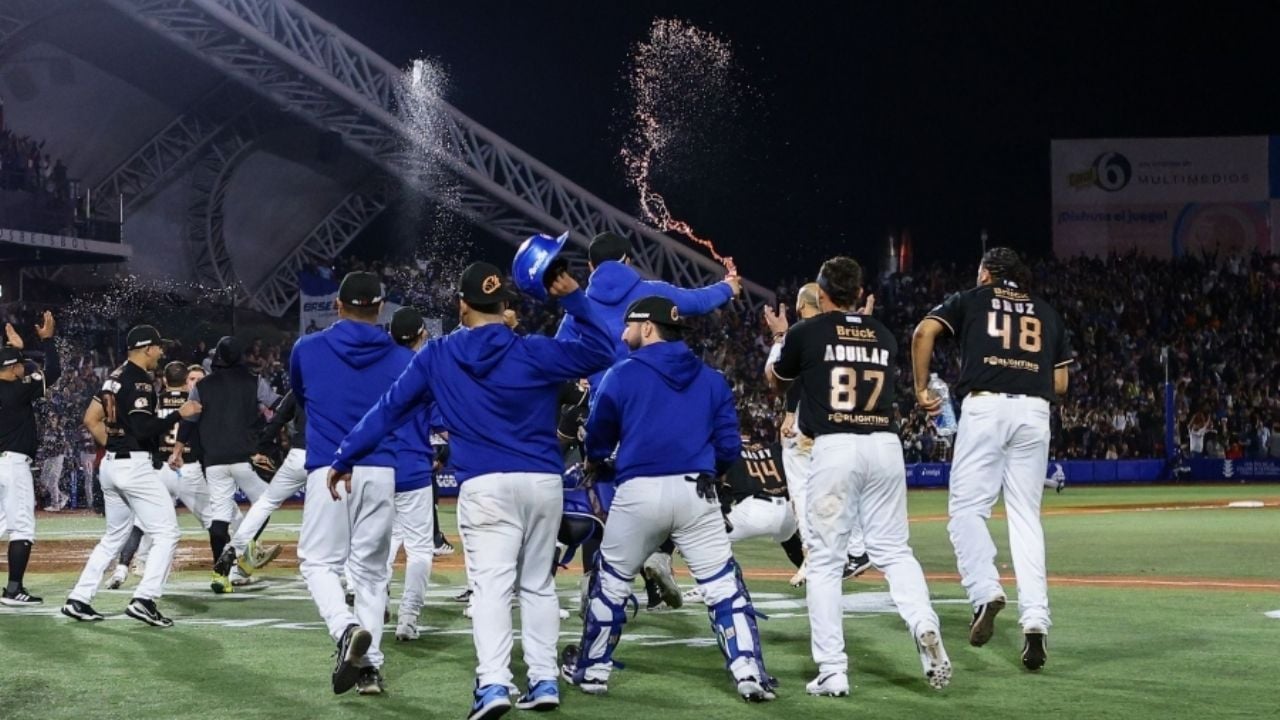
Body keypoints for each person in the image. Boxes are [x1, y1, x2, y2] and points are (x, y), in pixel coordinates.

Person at [331, 261, 614, 719]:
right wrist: (574, 298)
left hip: (485, 485)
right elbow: (605, 349)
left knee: (491, 589)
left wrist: (346, 455)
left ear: (462, 304)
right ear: (504, 306)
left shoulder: (437, 355)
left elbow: (388, 410)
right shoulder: (535, 351)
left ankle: (494, 683)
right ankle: (542, 680)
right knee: (538, 585)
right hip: (542, 481)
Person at [562, 295, 777, 703]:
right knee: (723, 588)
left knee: (609, 584)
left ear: (647, 328)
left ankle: (592, 671)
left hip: (638, 492)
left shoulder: (620, 375)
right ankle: (749, 671)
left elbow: (599, 439)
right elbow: (729, 447)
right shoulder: (712, 379)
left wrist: (598, 461)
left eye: (629, 325)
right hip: (698, 490)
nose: (624, 333)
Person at [769, 256, 952, 696]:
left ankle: (833, 669)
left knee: (827, 563)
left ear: (823, 292)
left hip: (834, 447)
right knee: (893, 550)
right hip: (885, 446)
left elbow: (778, 381)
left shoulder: (806, 331)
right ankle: (924, 622)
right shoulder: (884, 334)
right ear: (859, 291)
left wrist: (780, 337)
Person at [911, 246, 1073, 672]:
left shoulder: (973, 298)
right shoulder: (1046, 311)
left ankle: (985, 590)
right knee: (1025, 518)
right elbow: (1060, 382)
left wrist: (921, 387)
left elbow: (923, 332)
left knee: (967, 509)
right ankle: (1036, 620)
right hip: (1035, 413)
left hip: (985, 408)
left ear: (986, 274)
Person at [289, 272, 408, 696]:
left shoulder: (307, 348)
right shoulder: (400, 357)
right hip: (381, 470)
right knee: (372, 575)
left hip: (330, 467)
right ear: (379, 308)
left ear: (338, 305)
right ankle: (369, 667)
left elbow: (302, 396)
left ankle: (345, 629)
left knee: (319, 562)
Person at [63, 325, 199, 627]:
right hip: (133, 465)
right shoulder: (140, 382)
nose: (161, 353)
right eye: (158, 347)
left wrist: (114, 447)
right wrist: (180, 413)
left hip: (112, 465)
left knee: (114, 536)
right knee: (167, 533)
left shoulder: (115, 376)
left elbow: (90, 419)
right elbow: (141, 429)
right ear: (147, 348)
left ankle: (79, 598)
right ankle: (145, 599)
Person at [772, 282, 871, 587]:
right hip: (846, 418)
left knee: (802, 489)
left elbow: (789, 375)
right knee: (841, 485)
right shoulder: (846, 330)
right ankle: (854, 548)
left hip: (808, 419)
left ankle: (815, 554)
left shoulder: (806, 331)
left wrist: (780, 337)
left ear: (802, 306)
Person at [177, 336, 276, 594]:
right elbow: (276, 405)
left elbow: (190, 419)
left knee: (219, 516)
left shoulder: (203, 385)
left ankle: (219, 574)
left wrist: (178, 448)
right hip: (243, 457)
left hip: (213, 461)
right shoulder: (254, 381)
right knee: (266, 502)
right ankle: (243, 550)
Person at [383, 306, 437, 645]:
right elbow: (443, 422)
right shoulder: (426, 368)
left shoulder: (374, 366)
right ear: (421, 334)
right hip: (414, 467)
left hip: (376, 467)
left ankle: (374, 607)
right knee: (419, 549)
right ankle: (408, 619)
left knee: (381, 545)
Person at [0, 312, 59, 605]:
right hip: (12, 464)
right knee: (22, 526)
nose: (24, 369)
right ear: (11, 369)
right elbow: (53, 372)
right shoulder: (15, 391)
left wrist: (18, 353)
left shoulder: (10, 387)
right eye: (19, 365)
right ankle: (13, 589)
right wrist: (46, 341)